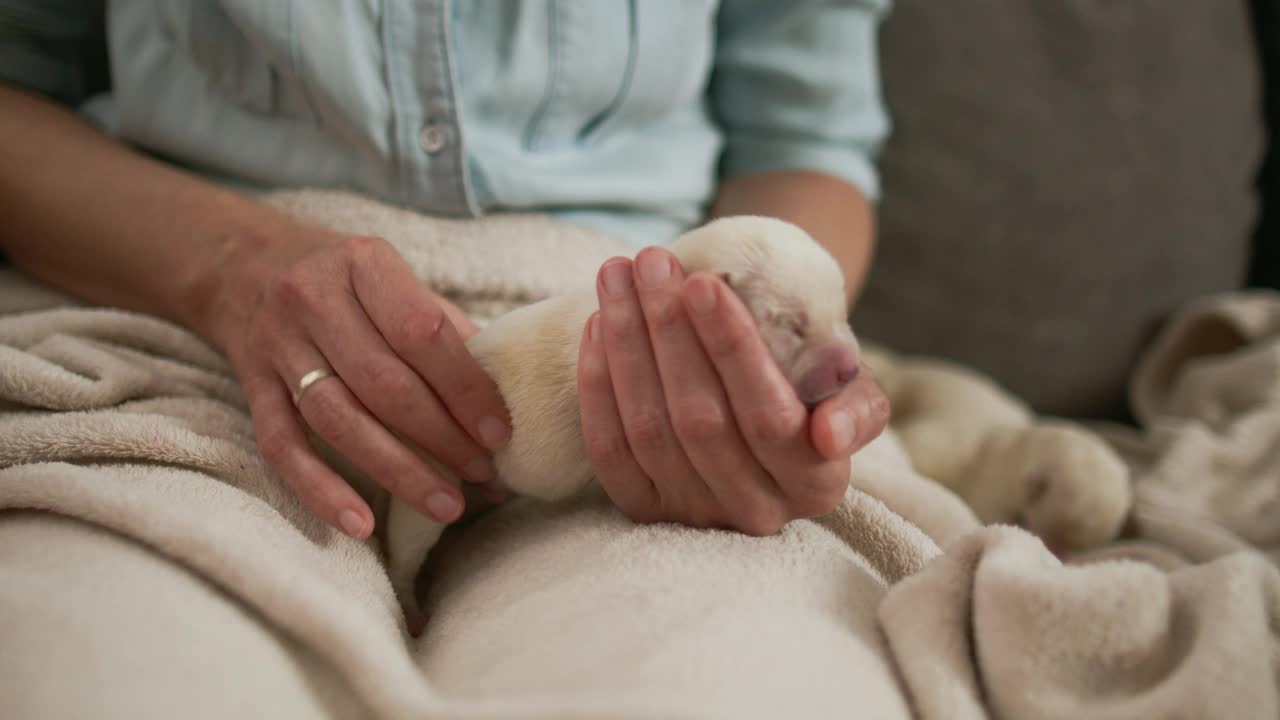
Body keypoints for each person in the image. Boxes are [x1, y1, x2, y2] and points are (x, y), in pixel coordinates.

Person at [0, 2, 891, 541]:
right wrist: (231, 268)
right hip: (184, 328)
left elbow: (804, 145)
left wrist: (747, 387)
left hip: (626, 389)